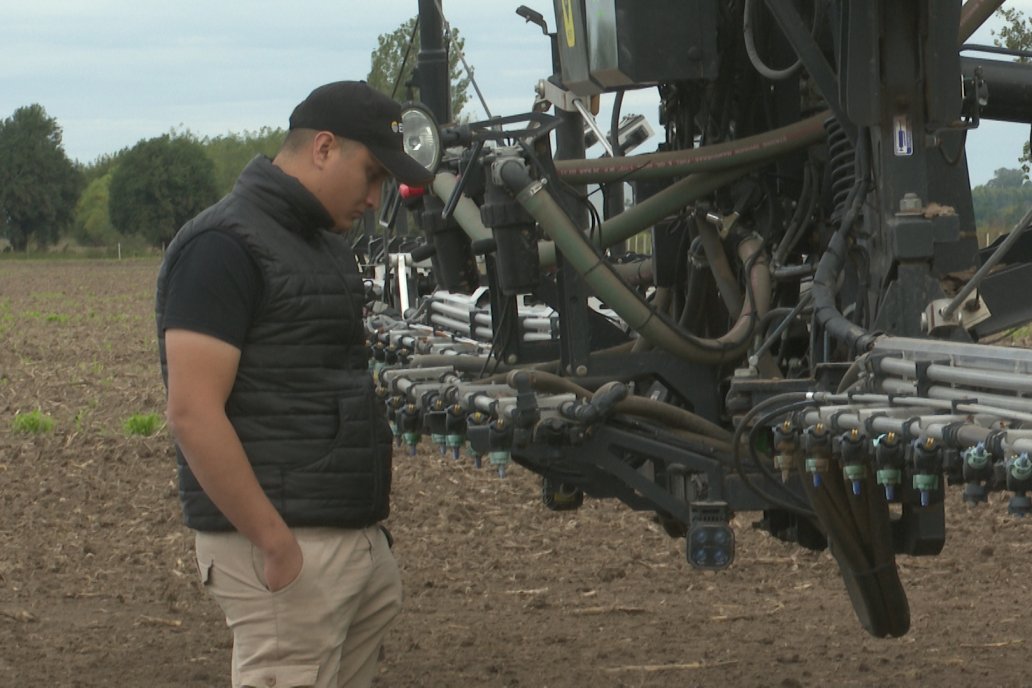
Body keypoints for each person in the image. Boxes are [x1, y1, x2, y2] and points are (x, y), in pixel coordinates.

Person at [155, 81, 433, 688]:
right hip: (285, 549)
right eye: (372, 174)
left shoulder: (321, 247)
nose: (375, 198)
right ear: (325, 148)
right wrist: (275, 545)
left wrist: (367, 543)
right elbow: (192, 412)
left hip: (342, 538)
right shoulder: (223, 246)